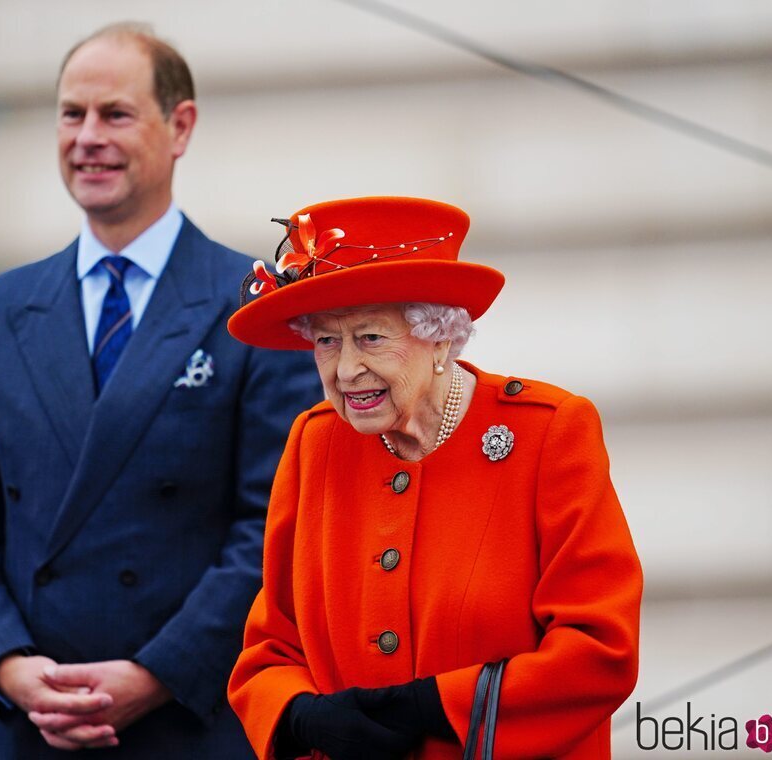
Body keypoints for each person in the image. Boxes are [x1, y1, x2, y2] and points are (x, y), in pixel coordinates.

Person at [0, 22, 321, 759]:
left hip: (192, 721)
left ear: (180, 127)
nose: (88, 136)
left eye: (115, 114)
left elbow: (274, 531)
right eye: (72, 114)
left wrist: (155, 673)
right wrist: (10, 667)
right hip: (32, 728)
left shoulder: (255, 307)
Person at [226, 196, 643, 759]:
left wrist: (436, 706)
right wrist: (300, 716)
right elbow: (272, 646)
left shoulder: (548, 434)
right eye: (327, 340)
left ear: (441, 336)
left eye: (371, 337)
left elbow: (599, 650)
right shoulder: (315, 442)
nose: (346, 369)